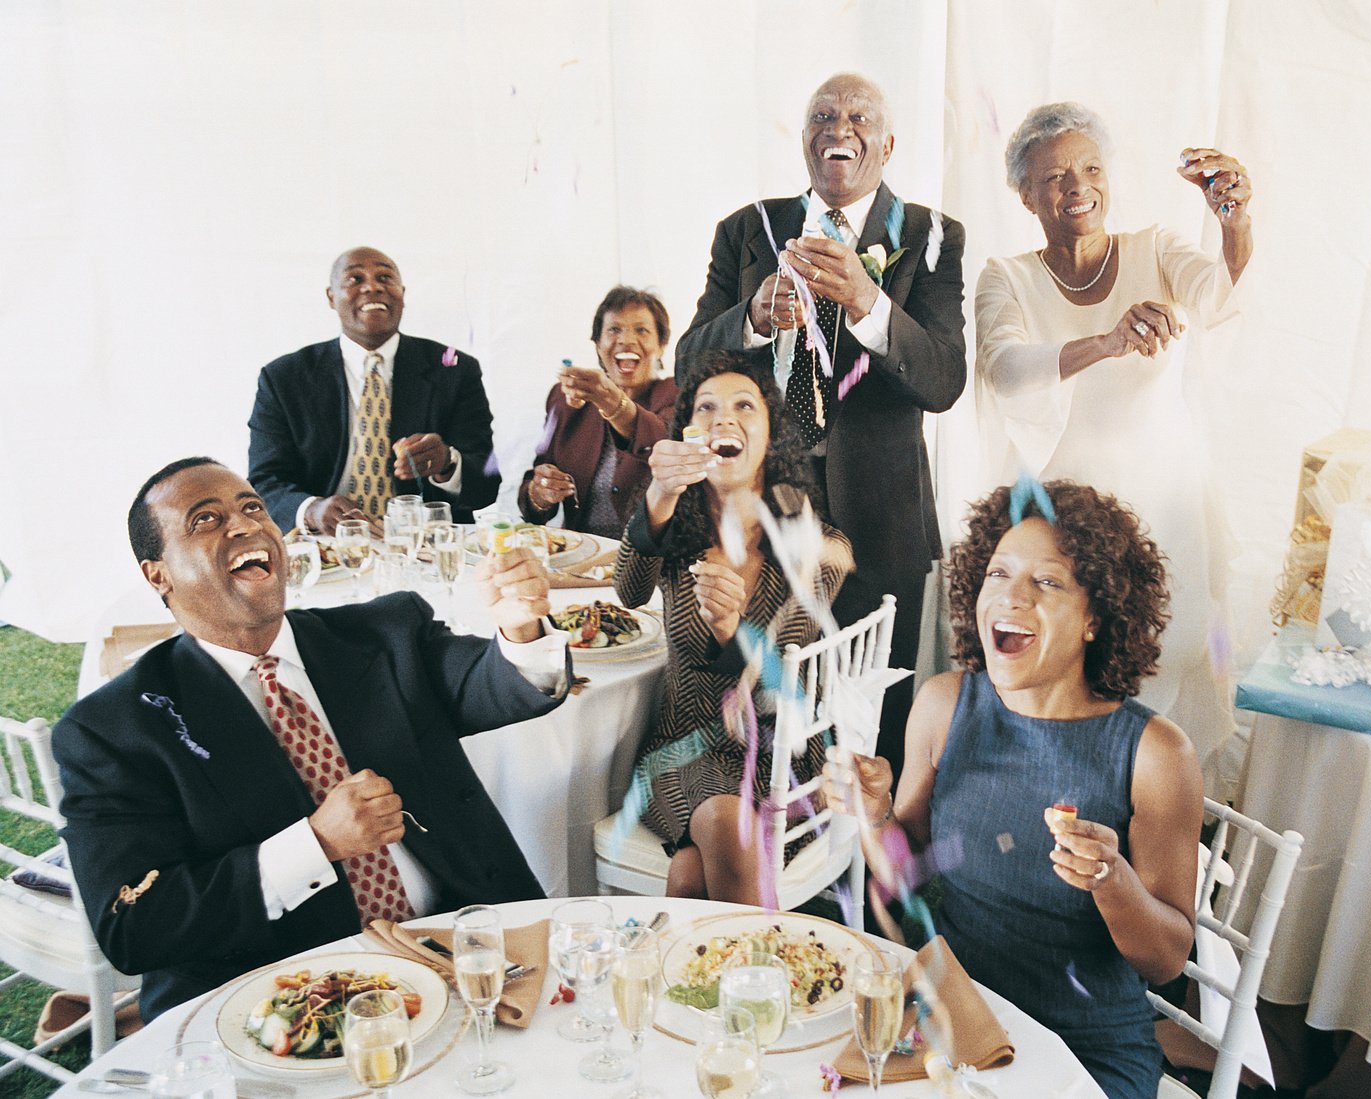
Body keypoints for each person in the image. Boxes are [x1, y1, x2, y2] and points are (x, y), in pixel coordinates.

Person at [54, 458, 570, 1020]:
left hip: (463, 952)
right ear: (159, 576)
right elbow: (134, 927)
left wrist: (520, 629)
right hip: (283, 997)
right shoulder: (113, 730)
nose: (245, 525)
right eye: (206, 520)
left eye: (252, 507)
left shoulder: (385, 633)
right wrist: (316, 844)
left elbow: (495, 686)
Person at [831, 481, 1203, 1098]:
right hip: (955, 1018)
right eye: (998, 574)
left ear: (1095, 617)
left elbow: (1164, 961)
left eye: (1048, 582)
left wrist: (1113, 882)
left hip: (1087, 1045)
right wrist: (875, 817)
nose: (1011, 597)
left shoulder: (1158, 754)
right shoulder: (944, 704)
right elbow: (908, 883)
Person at [676, 72, 965, 779]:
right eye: (823, 115)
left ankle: (863, 872)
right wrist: (747, 320)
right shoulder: (748, 230)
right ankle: (764, 864)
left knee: (868, 725)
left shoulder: (931, 236)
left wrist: (868, 303)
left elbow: (943, 381)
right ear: (805, 139)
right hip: (759, 526)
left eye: (859, 115)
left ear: (888, 143)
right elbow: (687, 365)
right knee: (758, 720)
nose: (840, 127)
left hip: (881, 527)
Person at [974, 102, 1254, 768]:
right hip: (1066, 516)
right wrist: (1106, 341)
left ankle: (1163, 812)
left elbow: (1218, 296)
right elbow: (1005, 369)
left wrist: (1234, 219)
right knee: (1071, 665)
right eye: (1054, 177)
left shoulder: (1155, 249)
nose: (1078, 188)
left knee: (1170, 656)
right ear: (1026, 196)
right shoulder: (1005, 277)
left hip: (1168, 502)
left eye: (1091, 168)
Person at [613, 351, 851, 904]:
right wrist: (660, 494)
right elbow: (627, 592)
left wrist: (729, 630)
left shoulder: (822, 550)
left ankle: (724, 978)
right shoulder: (676, 525)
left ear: (771, 436)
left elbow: (773, 689)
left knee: (698, 864)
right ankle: (759, 980)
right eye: (707, 408)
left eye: (745, 406)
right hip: (681, 750)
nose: (725, 419)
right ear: (690, 435)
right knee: (713, 841)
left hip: (779, 756)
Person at [248, 246, 499, 534]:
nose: (373, 288)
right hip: (325, 546)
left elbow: (487, 483)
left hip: (423, 546)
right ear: (331, 297)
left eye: (385, 278)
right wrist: (311, 509)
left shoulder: (454, 369)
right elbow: (264, 482)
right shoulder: (284, 378)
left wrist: (447, 464)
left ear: (402, 294)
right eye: (355, 279)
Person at [517, 286, 679, 536]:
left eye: (642, 330)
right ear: (597, 344)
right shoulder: (565, 398)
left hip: (650, 558)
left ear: (661, 344)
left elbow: (660, 440)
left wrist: (612, 402)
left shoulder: (677, 394)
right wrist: (540, 493)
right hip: (581, 555)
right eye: (614, 329)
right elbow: (534, 495)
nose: (626, 339)